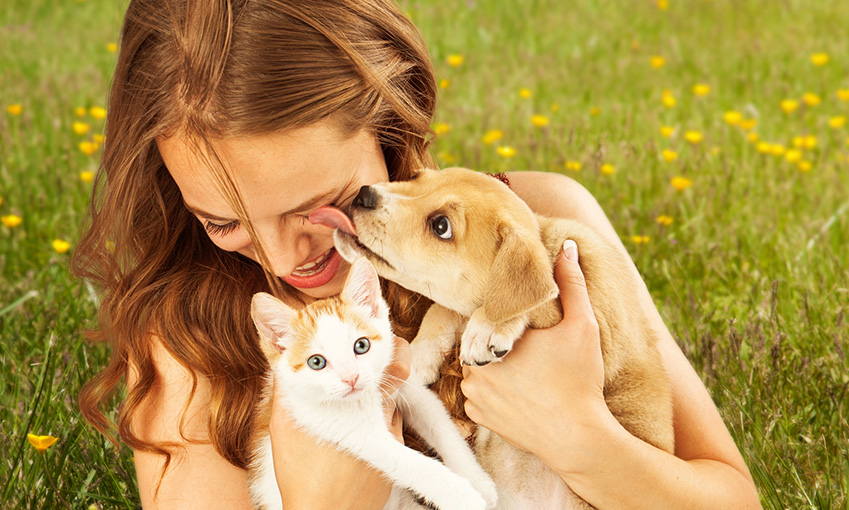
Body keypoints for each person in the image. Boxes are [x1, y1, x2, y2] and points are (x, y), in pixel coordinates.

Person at [72, 0, 761, 508]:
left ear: (391, 118)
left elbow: (730, 498)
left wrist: (577, 435)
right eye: (223, 223)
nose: (285, 260)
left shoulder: (536, 231)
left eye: (319, 203)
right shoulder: (190, 346)